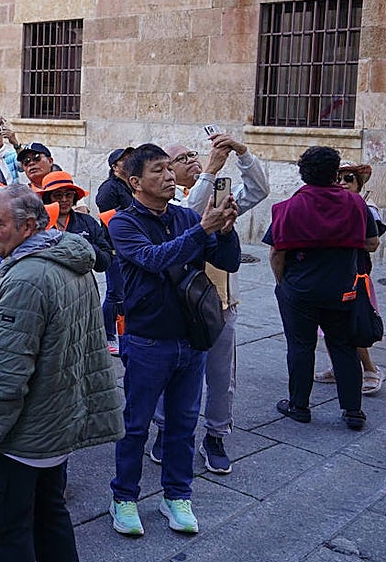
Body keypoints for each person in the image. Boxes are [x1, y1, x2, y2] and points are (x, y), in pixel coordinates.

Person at [0, 184, 124, 562]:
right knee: (49, 516)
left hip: (18, 439)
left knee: (6, 530)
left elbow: (6, 373)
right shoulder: (62, 261)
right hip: (50, 430)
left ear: (29, 227)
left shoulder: (27, 279)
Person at [107, 144, 239, 537]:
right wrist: (203, 229)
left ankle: (177, 495)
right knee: (136, 424)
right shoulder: (122, 223)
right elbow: (153, 258)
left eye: (170, 169)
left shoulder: (184, 216)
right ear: (135, 182)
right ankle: (124, 498)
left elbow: (226, 261)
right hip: (148, 340)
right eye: (159, 170)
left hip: (191, 337)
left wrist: (226, 231)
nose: (170, 176)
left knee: (183, 424)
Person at [153, 133, 269, 475]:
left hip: (219, 304)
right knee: (170, 374)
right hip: (177, 306)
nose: (192, 159)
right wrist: (213, 167)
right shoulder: (165, 206)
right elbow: (190, 216)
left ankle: (216, 434)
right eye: (180, 158)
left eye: (193, 154)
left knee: (222, 377)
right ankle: (164, 428)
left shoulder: (219, 200)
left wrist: (243, 153)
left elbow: (259, 190)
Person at [265, 146, 376, 432]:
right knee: (344, 345)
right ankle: (353, 411)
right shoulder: (355, 204)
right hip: (342, 288)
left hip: (300, 289)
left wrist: (282, 283)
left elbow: (277, 253)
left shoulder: (289, 207)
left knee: (301, 346)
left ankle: (299, 405)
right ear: (334, 172)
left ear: (303, 173)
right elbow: (372, 242)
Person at [315, 162, 384, 395]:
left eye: (349, 179)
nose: (342, 184)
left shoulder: (366, 208)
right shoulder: (333, 205)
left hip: (356, 276)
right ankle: (338, 367)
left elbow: (373, 243)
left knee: (354, 325)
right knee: (328, 326)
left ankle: (370, 369)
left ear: (358, 183)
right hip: (333, 275)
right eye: (339, 179)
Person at [96, 147, 135, 353]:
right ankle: (107, 335)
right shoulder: (110, 188)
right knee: (115, 293)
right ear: (114, 167)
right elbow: (106, 215)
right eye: (124, 159)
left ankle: (121, 332)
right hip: (114, 249)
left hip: (128, 248)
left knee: (124, 293)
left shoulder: (131, 184)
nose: (129, 161)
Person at [36, 171, 112, 276]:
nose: (64, 199)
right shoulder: (39, 225)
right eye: (57, 195)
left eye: (68, 195)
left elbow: (105, 262)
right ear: (48, 198)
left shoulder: (87, 222)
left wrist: (86, 246)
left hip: (82, 283)